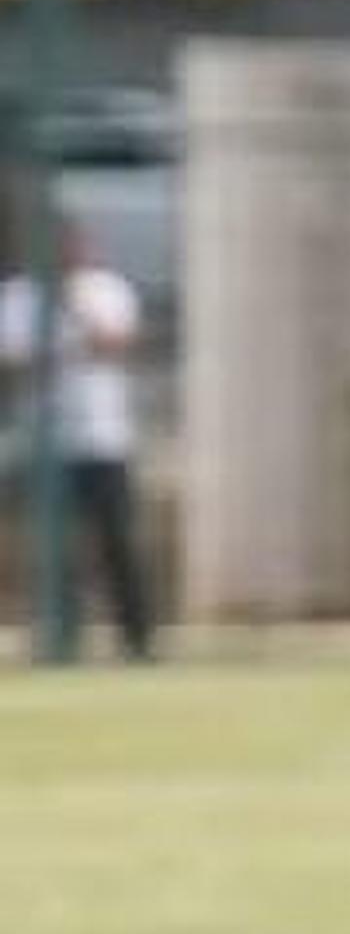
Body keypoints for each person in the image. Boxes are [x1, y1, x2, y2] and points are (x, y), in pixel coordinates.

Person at [0, 219, 158, 661]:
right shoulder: (17, 296)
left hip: (104, 440)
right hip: (45, 443)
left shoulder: (105, 290)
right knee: (53, 549)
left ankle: (137, 640)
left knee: (117, 541)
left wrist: (71, 306)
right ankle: (60, 638)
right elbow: (14, 362)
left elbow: (115, 344)